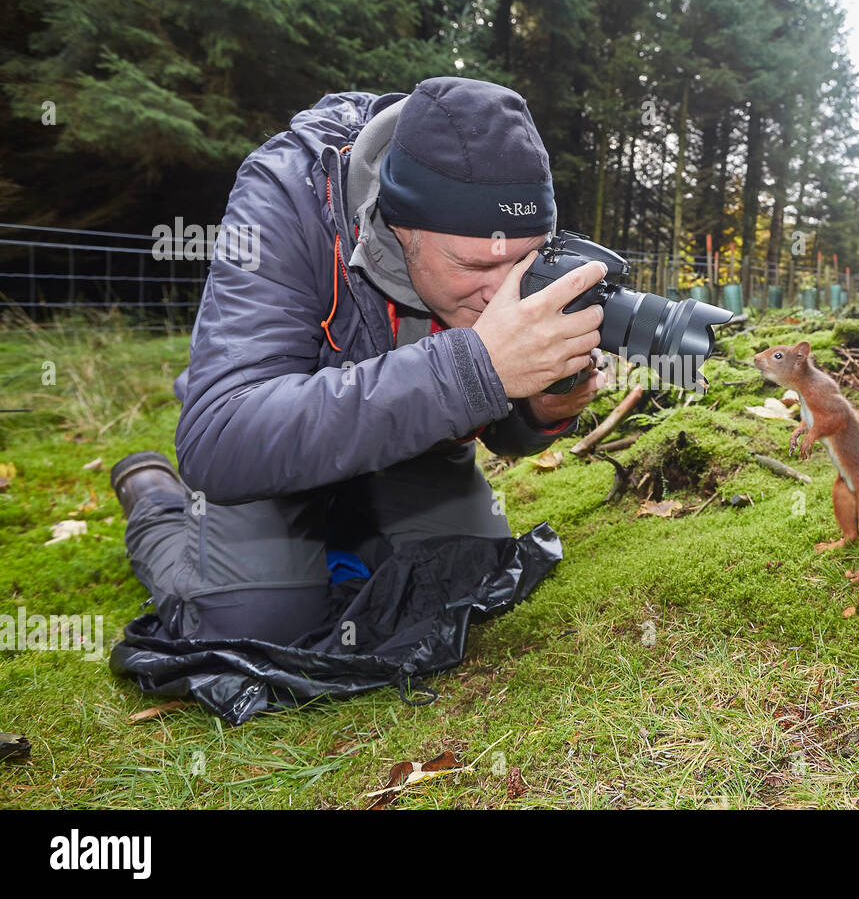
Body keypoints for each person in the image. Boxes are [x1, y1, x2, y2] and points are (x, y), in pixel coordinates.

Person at [110, 76, 607, 645]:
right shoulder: (284, 197)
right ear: (400, 227)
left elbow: (503, 435)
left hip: (412, 442)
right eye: (473, 269)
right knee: (255, 628)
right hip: (266, 446)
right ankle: (153, 499)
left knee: (465, 583)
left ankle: (343, 528)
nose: (502, 294)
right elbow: (220, 437)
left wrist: (539, 411)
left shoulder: (496, 242)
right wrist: (474, 371)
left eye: (524, 261)